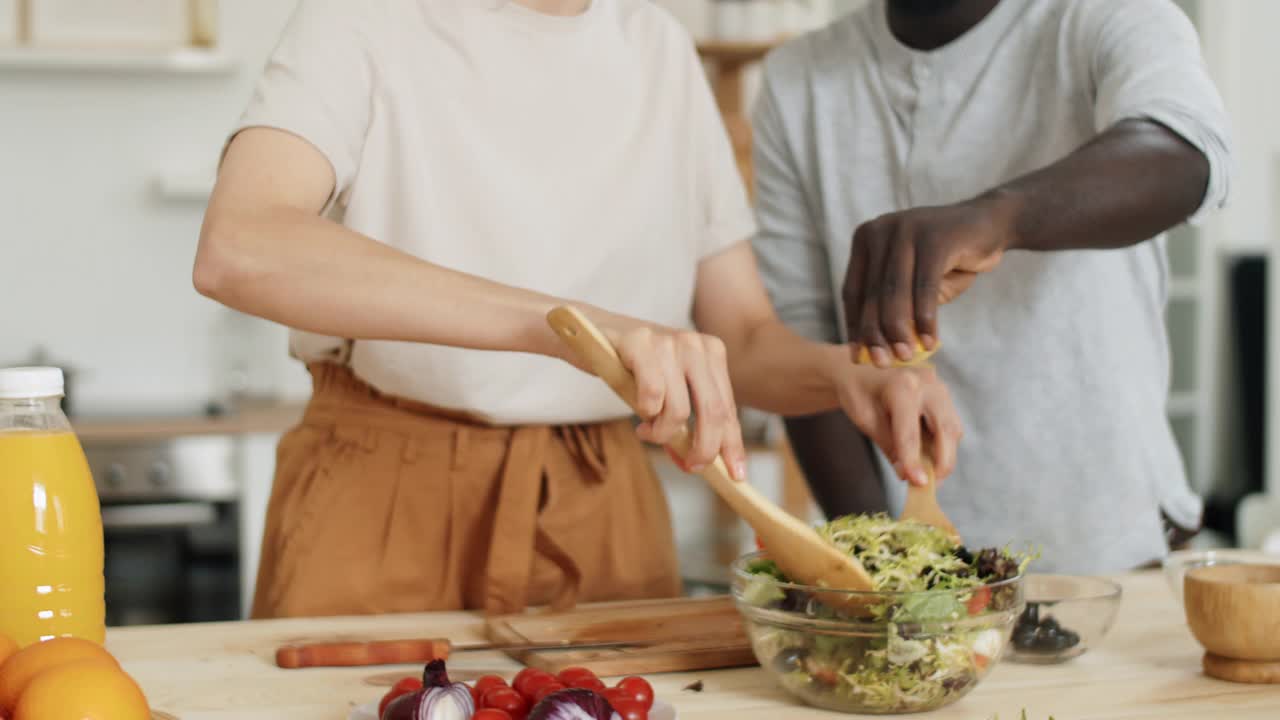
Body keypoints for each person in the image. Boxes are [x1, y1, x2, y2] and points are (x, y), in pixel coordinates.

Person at [192, 0, 962, 619]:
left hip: (603, 508)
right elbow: (242, 246)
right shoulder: (359, 21)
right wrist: (571, 330)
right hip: (383, 499)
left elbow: (743, 338)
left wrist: (844, 376)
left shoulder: (659, 48)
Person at [752, 0, 1231, 573]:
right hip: (918, 566)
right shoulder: (795, 79)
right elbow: (808, 356)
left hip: (1115, 550)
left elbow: (1187, 152)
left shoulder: (1102, 16)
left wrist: (994, 218)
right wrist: (881, 571)